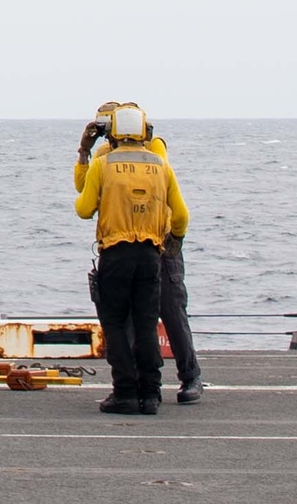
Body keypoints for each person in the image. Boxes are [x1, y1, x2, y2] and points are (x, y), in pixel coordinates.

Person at [76, 102, 203, 404]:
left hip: (160, 239)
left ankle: (189, 375)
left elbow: (87, 205)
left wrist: (174, 240)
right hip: (141, 245)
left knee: (169, 309)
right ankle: (142, 386)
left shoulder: (153, 149)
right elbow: (83, 187)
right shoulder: (107, 156)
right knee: (139, 319)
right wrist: (84, 152)